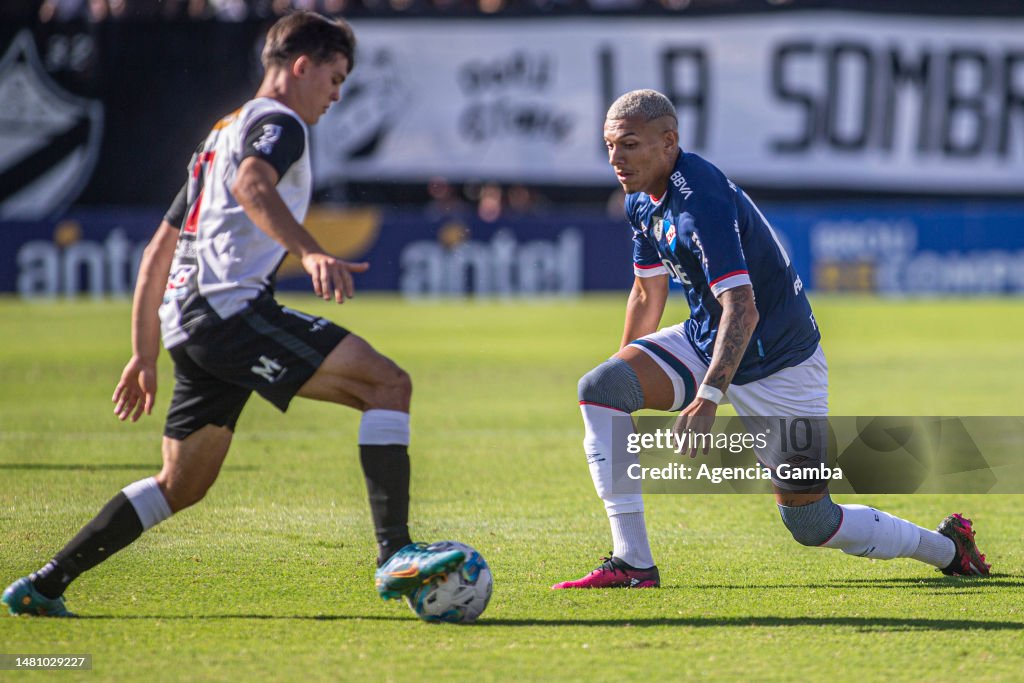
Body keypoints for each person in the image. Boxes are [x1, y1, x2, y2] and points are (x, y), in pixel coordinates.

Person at [2, 11, 462, 618]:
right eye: (335, 77)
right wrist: (312, 251)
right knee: (387, 384)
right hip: (230, 313)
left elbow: (156, 254)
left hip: (188, 324)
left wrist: (144, 352)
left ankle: (45, 582)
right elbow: (253, 185)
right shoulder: (281, 123)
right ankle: (395, 552)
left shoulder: (218, 136)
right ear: (302, 66)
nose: (337, 94)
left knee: (180, 485)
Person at [552, 89, 990, 589]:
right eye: (609, 145)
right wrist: (626, 372)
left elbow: (744, 308)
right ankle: (633, 564)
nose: (615, 158)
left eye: (628, 144)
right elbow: (645, 291)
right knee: (602, 388)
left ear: (669, 142)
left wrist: (709, 398)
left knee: (811, 523)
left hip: (781, 364)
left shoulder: (702, 202)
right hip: (706, 340)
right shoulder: (639, 200)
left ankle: (949, 548)